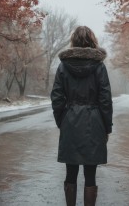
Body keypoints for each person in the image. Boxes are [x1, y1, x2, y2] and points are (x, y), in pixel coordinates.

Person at [50, 26, 113, 206]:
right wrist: (107, 127)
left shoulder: (63, 66)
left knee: (70, 172)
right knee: (90, 174)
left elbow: (56, 97)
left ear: (74, 42)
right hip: (94, 123)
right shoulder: (99, 66)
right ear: (92, 41)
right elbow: (105, 100)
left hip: (70, 121)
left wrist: (62, 120)